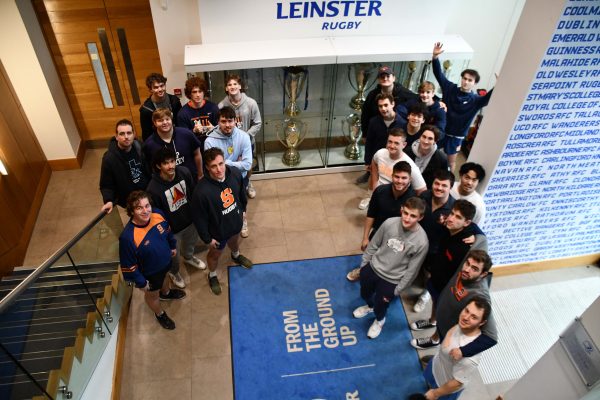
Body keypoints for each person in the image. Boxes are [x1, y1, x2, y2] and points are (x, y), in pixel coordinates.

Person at [410, 200, 487, 344]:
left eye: (458, 217)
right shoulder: (449, 226)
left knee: (444, 316)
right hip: (436, 279)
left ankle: (435, 339)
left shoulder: (465, 245)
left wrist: (478, 237)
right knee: (434, 303)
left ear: (467, 222)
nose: (451, 218)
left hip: (449, 288)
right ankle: (432, 321)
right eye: (452, 213)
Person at [352, 197, 429, 339]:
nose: (407, 218)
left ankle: (380, 321)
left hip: (392, 281)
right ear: (401, 209)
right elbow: (373, 245)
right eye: (405, 213)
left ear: (421, 217)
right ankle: (369, 307)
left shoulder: (422, 241)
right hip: (372, 268)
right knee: (365, 294)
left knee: (381, 306)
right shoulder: (389, 223)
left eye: (413, 216)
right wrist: (364, 266)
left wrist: (398, 289)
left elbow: (413, 270)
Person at [410, 250, 498, 361]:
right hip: (442, 318)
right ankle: (434, 338)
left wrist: (463, 351)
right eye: (467, 264)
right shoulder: (465, 270)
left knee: (443, 354)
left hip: (450, 332)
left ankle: (436, 360)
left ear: (483, 274)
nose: (467, 269)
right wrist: (474, 232)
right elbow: (479, 238)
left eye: (474, 269)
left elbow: (491, 336)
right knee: (439, 329)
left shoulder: (480, 295)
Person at [119, 190, 186, 330]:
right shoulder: (127, 237)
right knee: (152, 296)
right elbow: (128, 265)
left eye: (147, 205)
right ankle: (159, 313)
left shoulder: (157, 214)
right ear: (131, 212)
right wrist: (141, 283)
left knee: (166, 277)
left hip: (166, 262)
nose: (145, 211)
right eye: (139, 208)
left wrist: (172, 246)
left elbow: (168, 231)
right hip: (149, 274)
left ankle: (166, 293)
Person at [191, 147, 253, 295]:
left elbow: (241, 194)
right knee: (214, 255)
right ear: (207, 167)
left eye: (221, 163)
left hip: (235, 223)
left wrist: (243, 211)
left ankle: (236, 255)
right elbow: (198, 219)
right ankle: (212, 275)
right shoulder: (201, 192)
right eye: (213, 166)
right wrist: (207, 239)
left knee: (234, 241)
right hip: (217, 232)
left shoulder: (235, 174)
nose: (219, 169)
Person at [146, 147, 207, 289]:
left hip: (190, 222)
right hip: (172, 231)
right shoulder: (153, 189)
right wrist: (166, 233)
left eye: (172, 161)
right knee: (173, 257)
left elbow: (193, 195)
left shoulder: (184, 172)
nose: (171, 166)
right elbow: (157, 216)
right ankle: (174, 273)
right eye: (166, 163)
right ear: (158, 166)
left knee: (190, 244)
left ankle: (189, 257)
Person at [346, 161, 416, 282]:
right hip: (378, 232)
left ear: (410, 179)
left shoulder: (413, 200)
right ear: (392, 176)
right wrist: (365, 237)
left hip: (399, 238)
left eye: (404, 178)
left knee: (388, 262)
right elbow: (370, 215)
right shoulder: (380, 191)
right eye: (397, 177)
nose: (400, 181)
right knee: (369, 255)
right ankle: (362, 271)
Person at [432, 42, 494, 171]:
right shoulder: (450, 88)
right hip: (442, 131)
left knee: (451, 162)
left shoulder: (476, 100)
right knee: (431, 155)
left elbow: (488, 97)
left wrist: (498, 86)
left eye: (470, 80)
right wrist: (435, 58)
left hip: (456, 137)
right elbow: (439, 75)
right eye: (464, 78)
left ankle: (449, 182)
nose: (466, 82)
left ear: (475, 83)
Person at [421, 297, 492, 400]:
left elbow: (457, 383)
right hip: (436, 366)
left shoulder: (470, 358)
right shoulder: (463, 324)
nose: (466, 317)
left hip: (443, 387)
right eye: (467, 310)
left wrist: (435, 393)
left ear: (481, 323)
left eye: (474, 317)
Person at [356, 66, 417, 184]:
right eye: (382, 77)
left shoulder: (403, 93)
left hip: (395, 132)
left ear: (393, 78)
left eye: (388, 76)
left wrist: (437, 101)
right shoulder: (372, 95)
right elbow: (365, 115)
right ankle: (370, 172)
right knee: (375, 154)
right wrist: (364, 133)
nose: (385, 79)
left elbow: (419, 98)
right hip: (377, 129)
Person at [204, 106, 253, 238]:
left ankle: (243, 221)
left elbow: (247, 164)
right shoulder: (209, 141)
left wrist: (225, 163)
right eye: (223, 121)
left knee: (241, 202)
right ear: (218, 122)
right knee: (225, 205)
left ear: (235, 121)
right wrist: (237, 163)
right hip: (219, 181)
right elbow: (212, 167)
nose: (227, 125)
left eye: (230, 121)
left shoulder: (243, 137)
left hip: (239, 179)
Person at [413, 170, 455, 312]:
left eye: (444, 185)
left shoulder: (454, 209)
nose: (439, 188)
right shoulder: (424, 196)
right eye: (437, 183)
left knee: (429, 276)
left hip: (436, 251)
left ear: (450, 188)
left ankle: (424, 295)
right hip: (416, 243)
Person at [359, 128, 426, 210]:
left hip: (395, 197)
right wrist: (374, 187)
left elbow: (422, 191)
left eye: (396, 143)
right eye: (390, 142)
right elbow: (374, 163)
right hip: (378, 192)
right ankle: (369, 196)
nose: (392, 146)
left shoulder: (411, 166)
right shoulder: (380, 153)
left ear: (404, 145)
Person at [218, 74, 262, 199]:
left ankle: (248, 184)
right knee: (230, 164)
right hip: (228, 142)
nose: (232, 87)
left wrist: (245, 136)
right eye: (229, 84)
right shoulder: (221, 106)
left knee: (247, 165)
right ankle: (233, 185)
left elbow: (258, 123)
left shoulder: (251, 103)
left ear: (240, 86)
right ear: (226, 88)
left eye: (235, 84)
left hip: (246, 141)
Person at [100, 119, 149, 214]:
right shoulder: (109, 158)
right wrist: (108, 200)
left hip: (146, 195)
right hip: (130, 202)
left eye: (129, 133)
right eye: (122, 134)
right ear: (116, 136)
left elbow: (148, 170)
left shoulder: (140, 147)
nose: (126, 137)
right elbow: (106, 184)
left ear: (134, 134)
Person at [143, 108, 203, 181]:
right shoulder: (149, 144)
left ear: (171, 120)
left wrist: (200, 174)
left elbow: (197, 154)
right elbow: (152, 168)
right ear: (155, 123)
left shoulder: (187, 134)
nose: (165, 122)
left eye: (167, 119)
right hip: (168, 184)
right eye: (160, 120)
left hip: (191, 179)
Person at [361, 93, 406, 190]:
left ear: (392, 104)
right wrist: (367, 161)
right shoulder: (373, 122)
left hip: (393, 160)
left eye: (386, 105)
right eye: (380, 106)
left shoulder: (402, 123)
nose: (383, 109)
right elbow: (369, 142)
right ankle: (370, 198)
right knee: (373, 180)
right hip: (377, 159)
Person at [176, 76, 219, 150]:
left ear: (204, 92)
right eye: (194, 92)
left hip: (213, 147)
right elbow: (182, 137)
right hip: (194, 149)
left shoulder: (213, 108)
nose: (198, 95)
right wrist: (193, 131)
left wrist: (213, 128)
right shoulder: (183, 113)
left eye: (200, 91)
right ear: (189, 94)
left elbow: (222, 129)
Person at [140, 73, 182, 141]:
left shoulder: (174, 101)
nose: (160, 89)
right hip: (158, 141)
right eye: (156, 87)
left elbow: (180, 123)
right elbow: (146, 134)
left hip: (176, 137)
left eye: (162, 86)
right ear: (150, 90)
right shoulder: (146, 110)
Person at [451, 162, 486, 226]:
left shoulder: (478, 205)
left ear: (478, 182)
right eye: (467, 178)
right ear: (460, 175)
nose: (469, 183)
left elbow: (475, 227)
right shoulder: (450, 187)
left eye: (474, 180)